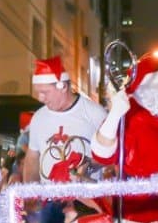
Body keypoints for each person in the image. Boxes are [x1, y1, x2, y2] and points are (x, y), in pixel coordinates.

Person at [92, 51, 158, 222]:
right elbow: (101, 153)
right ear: (157, 88)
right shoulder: (132, 114)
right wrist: (114, 115)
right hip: (144, 218)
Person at [23, 56, 107, 184]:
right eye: (38, 93)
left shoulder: (95, 113)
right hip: (49, 200)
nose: (40, 98)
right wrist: (30, 197)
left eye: (45, 92)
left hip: (85, 200)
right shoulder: (38, 118)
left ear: (62, 86)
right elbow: (32, 159)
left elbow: (110, 156)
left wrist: (88, 165)